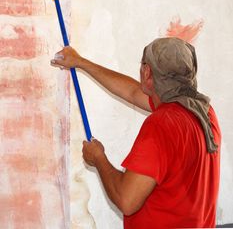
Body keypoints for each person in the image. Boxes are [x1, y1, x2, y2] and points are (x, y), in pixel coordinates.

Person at [51, 37, 221, 228]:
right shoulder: (203, 112)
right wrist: (80, 62)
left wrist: (98, 158)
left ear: (147, 72)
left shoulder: (161, 125)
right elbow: (132, 92)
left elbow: (126, 200)